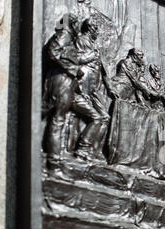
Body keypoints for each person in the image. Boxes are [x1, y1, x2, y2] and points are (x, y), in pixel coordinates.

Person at [43, 13, 81, 175]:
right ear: (72, 24)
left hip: (64, 81)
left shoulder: (68, 37)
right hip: (61, 81)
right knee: (57, 120)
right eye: (78, 23)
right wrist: (72, 69)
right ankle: (53, 164)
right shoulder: (65, 34)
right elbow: (53, 52)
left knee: (51, 115)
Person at [73, 18, 110, 161]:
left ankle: (95, 150)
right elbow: (77, 59)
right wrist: (92, 55)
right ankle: (83, 148)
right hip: (83, 87)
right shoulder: (82, 40)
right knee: (97, 117)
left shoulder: (93, 44)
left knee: (105, 117)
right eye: (97, 29)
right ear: (91, 28)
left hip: (93, 88)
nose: (98, 32)